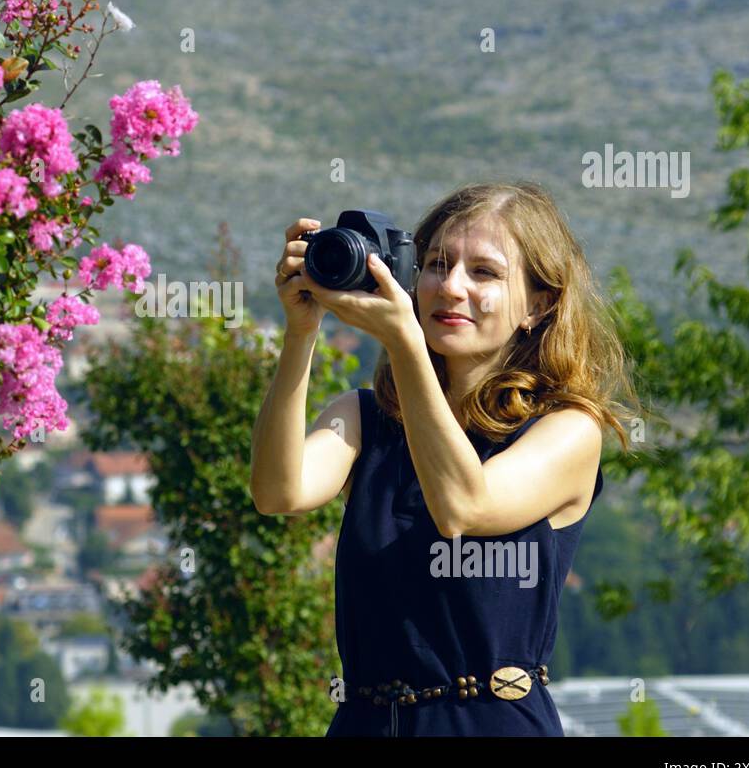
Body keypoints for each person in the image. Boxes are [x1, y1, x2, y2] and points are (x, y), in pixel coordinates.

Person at [249, 181, 641, 736]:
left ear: (538, 303)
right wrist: (301, 332)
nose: (452, 287)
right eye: (436, 264)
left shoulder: (567, 429)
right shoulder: (366, 419)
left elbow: (462, 505)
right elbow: (276, 492)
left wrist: (404, 341)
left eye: (484, 272)